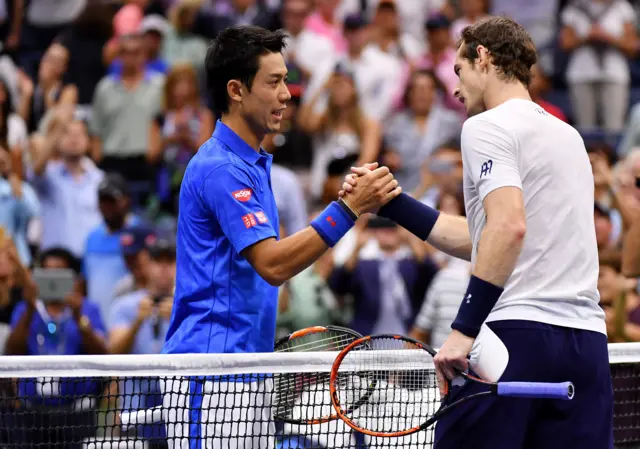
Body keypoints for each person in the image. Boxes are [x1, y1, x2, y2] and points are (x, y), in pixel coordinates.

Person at [341, 16, 612, 449]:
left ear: (482, 58)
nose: (456, 88)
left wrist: (463, 330)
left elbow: (507, 227)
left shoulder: (485, 126)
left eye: (459, 70)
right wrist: (392, 203)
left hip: (515, 341)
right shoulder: (570, 136)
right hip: (587, 349)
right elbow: (488, 239)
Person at [161, 25, 400, 449]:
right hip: (210, 373)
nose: (287, 93)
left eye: (286, 80)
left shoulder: (252, 164)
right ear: (236, 90)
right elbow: (272, 264)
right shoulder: (221, 168)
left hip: (247, 370)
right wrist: (347, 210)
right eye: (274, 82)